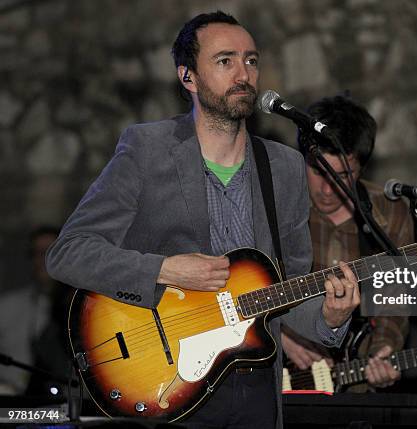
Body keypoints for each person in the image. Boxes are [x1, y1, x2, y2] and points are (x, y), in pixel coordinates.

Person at [45, 11, 359, 429]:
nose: (243, 73)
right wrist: (164, 269)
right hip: (167, 384)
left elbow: (288, 289)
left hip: (256, 388)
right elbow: (67, 254)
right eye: (225, 61)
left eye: (251, 60)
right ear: (187, 76)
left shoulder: (283, 167)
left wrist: (329, 320)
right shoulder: (146, 149)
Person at [281, 95, 414, 390]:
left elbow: (394, 296)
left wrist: (385, 349)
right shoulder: (279, 205)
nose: (327, 189)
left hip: (355, 379)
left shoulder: (390, 212)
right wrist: (283, 335)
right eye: (318, 172)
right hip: (280, 378)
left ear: (362, 168)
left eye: (343, 175)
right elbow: (247, 284)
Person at [0, 226, 72, 396]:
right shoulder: (7, 306)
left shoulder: (82, 310)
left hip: (66, 406)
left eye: (50, 252)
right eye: (38, 253)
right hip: (14, 405)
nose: (43, 260)